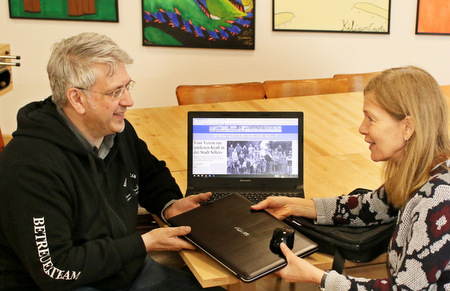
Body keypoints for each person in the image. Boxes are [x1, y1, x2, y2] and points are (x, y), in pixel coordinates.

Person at [0, 32, 223, 290]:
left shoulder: (116, 130)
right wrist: (143, 243)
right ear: (77, 99)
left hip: (124, 269)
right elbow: (56, 269)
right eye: (116, 91)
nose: (129, 101)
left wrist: (168, 205)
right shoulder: (30, 167)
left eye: (127, 86)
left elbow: (150, 175)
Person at [252, 66, 450, 290]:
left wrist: (318, 277)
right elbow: (371, 207)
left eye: (371, 119)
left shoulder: (438, 200)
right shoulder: (420, 172)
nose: (361, 128)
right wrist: (295, 205)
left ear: (407, 127)